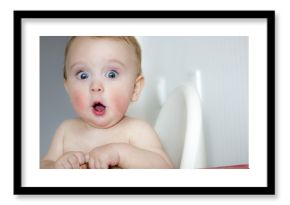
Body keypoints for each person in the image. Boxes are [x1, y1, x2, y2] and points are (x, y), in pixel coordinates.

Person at [40, 36, 173, 169]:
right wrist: (55, 167)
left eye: (111, 74)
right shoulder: (65, 131)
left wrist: (121, 154)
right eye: (83, 75)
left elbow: (166, 168)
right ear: (68, 88)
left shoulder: (137, 131)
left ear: (135, 88)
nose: (96, 86)